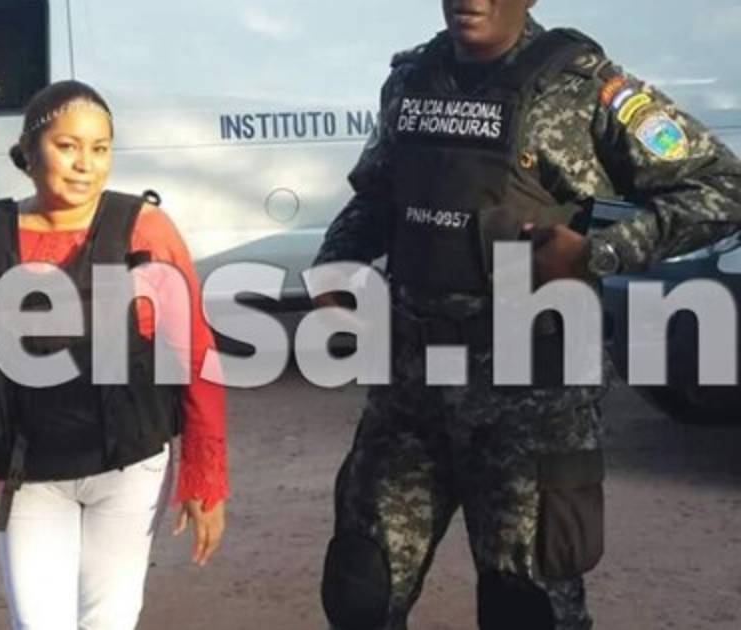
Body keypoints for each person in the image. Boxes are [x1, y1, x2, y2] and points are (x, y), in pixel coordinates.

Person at [314, 1, 741, 629]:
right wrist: (337, 262)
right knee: (360, 592)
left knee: (526, 610)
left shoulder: (586, 87)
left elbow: (722, 188)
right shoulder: (412, 80)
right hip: (410, 389)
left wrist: (597, 252)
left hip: (531, 400)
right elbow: (377, 196)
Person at [0, 80, 228, 630]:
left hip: (129, 466)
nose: (85, 164)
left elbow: (196, 356)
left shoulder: (145, 230)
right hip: (28, 472)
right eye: (67, 146)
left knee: (109, 620)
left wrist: (204, 476)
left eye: (100, 148)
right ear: (29, 150)